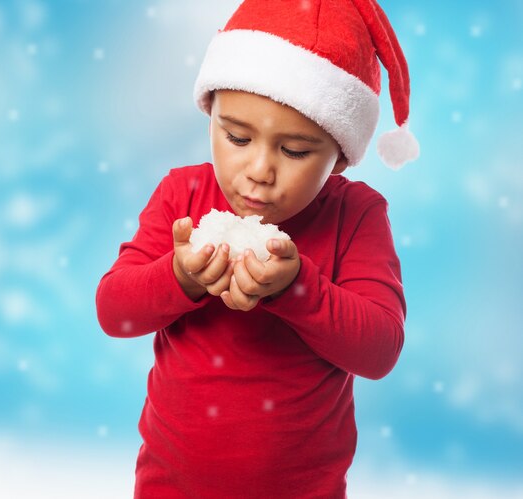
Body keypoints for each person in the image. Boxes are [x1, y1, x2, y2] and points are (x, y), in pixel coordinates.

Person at [96, 0, 419, 497]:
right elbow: (114, 312)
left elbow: (378, 351)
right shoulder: (181, 196)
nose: (259, 171)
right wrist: (178, 276)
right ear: (211, 119)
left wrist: (297, 288)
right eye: (237, 137)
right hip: (171, 484)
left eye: (294, 151)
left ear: (339, 157)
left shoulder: (355, 214)